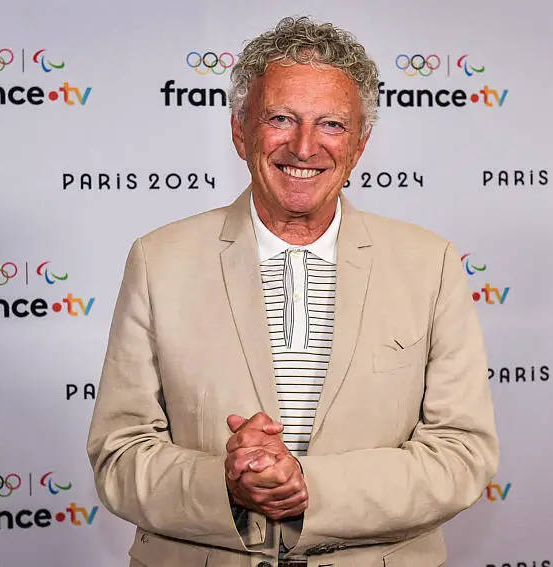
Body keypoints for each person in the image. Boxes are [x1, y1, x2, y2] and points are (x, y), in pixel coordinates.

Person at [87, 16, 498, 567]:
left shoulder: (430, 264)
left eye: (331, 124)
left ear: (359, 144)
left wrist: (308, 486)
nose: (304, 147)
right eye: (281, 118)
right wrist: (224, 485)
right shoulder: (158, 260)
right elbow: (119, 456)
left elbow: (462, 454)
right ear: (240, 132)